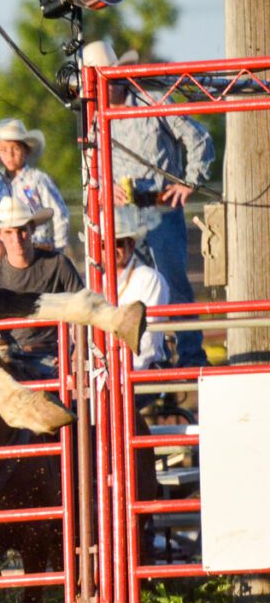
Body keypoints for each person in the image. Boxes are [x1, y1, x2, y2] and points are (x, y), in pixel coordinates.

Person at [85, 40, 215, 368]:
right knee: (129, 287)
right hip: (123, 214)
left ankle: (190, 358)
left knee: (172, 281)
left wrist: (188, 181)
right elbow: (90, 169)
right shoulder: (96, 118)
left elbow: (198, 137)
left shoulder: (152, 100)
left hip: (160, 207)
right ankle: (148, 358)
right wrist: (105, 191)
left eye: (108, 77)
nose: (105, 85)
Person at [0, 196, 83, 367]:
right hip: (8, 358)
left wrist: (77, 353)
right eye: (9, 232)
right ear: (0, 234)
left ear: (32, 228)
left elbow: (83, 307)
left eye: (21, 230)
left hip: (54, 356)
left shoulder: (58, 264)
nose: (16, 239)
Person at [0, 117, 69, 253]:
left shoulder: (38, 179)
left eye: (15, 149)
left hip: (39, 248)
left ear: (26, 151)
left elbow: (59, 212)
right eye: (3, 150)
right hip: (10, 253)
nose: (10, 155)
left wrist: (58, 248)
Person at [112, 207, 171, 371]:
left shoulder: (149, 279)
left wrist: (120, 372)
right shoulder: (96, 282)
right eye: (104, 244)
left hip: (138, 372)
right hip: (108, 373)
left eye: (117, 243)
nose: (110, 249)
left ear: (131, 245)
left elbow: (148, 343)